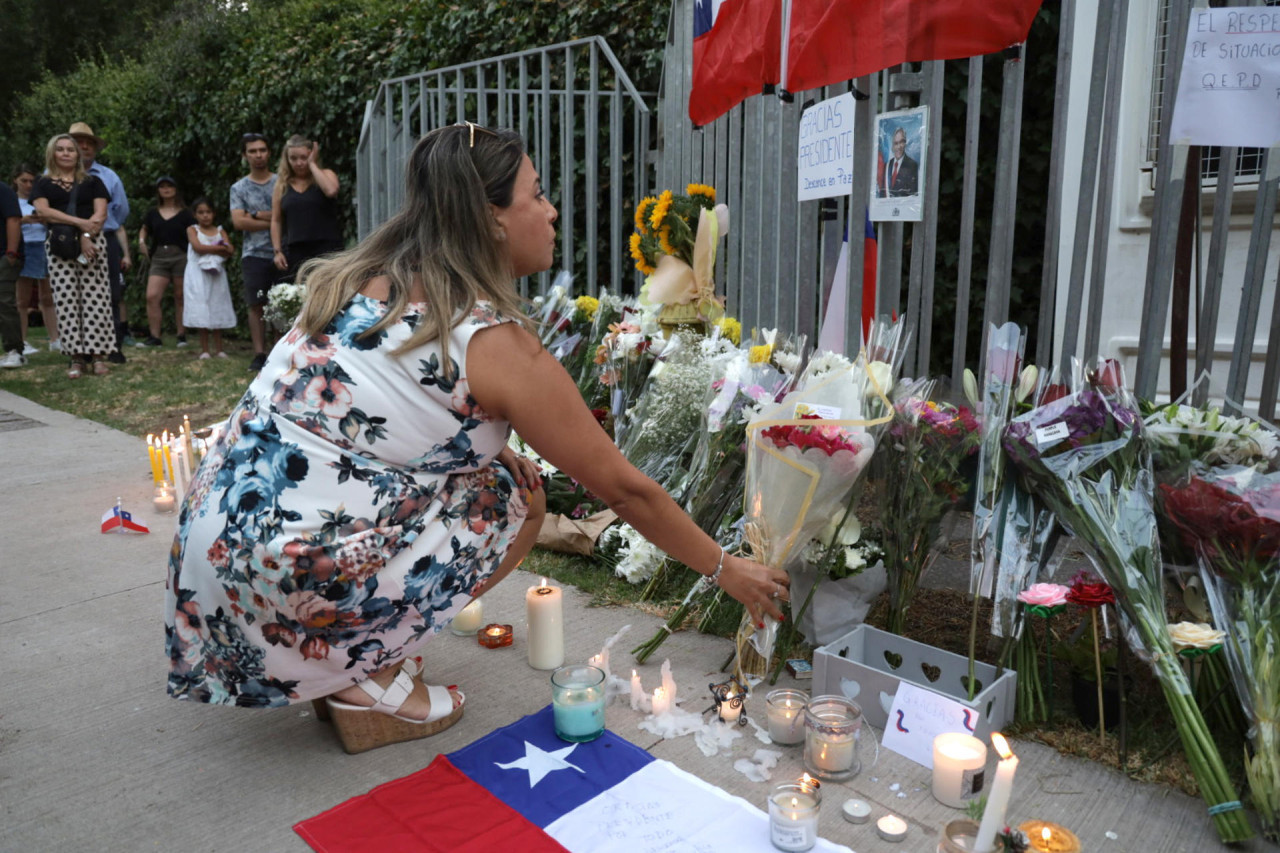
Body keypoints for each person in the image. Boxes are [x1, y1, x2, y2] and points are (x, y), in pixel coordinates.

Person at [164, 123, 790, 754]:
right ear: (491, 219)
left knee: (492, 472)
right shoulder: (489, 342)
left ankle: (344, 655)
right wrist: (725, 568)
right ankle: (364, 675)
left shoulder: (358, 279)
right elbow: (625, 491)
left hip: (211, 566)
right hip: (286, 582)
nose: (551, 212)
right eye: (537, 195)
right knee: (508, 497)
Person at [30, 133, 115, 378]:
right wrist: (80, 225)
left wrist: (87, 236)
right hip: (60, 244)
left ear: (78, 154)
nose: (66, 153)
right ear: (52, 154)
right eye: (61, 149)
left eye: (71, 149)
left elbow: (101, 214)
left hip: (92, 242)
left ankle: (98, 356)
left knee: (96, 298)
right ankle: (76, 357)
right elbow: (44, 212)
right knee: (66, 299)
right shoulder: (42, 183)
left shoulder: (93, 182)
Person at [70, 122, 134, 360]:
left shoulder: (109, 176)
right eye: (79, 142)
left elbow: (121, 212)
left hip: (104, 238)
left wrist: (99, 228)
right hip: (68, 241)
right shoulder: (53, 177)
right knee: (76, 295)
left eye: (89, 143)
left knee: (111, 293)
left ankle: (113, 345)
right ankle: (82, 349)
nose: (85, 146)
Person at [230, 133, 277, 372]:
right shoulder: (239, 188)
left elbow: (289, 217)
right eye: (252, 151)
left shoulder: (282, 182)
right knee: (256, 304)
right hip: (254, 253)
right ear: (245, 155)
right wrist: (274, 220)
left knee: (282, 304)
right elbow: (239, 222)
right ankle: (259, 353)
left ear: (269, 152)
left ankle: (280, 350)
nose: (258, 155)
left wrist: (256, 215)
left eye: (262, 150)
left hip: (281, 251)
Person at [269, 134, 342, 284]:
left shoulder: (326, 175)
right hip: (296, 250)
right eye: (293, 158)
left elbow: (331, 191)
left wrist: (313, 165)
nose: (299, 163)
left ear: (311, 155)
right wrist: (277, 251)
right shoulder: (282, 185)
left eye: (304, 157)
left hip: (327, 247)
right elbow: (276, 220)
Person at [136, 177, 195, 347]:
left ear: (176, 189)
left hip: (181, 256)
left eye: (170, 186)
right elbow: (144, 228)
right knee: (152, 296)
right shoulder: (153, 212)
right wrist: (141, 242)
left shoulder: (186, 213)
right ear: (158, 191)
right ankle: (155, 336)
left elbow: (195, 232)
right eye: (162, 187)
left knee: (180, 296)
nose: (166, 189)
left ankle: (181, 335)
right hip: (159, 256)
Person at [12, 164, 59, 354]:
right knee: (21, 300)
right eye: (24, 181)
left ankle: (55, 339)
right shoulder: (12, 201)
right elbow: (8, 223)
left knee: (48, 297)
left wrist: (44, 219)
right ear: (16, 180)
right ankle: (21, 341)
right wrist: (23, 220)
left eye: (32, 181)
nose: (28, 185)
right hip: (24, 247)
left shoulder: (40, 200)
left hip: (44, 245)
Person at [183, 197, 236, 359]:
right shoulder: (192, 230)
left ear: (213, 213)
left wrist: (219, 249)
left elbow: (230, 249)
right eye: (201, 212)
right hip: (197, 274)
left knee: (217, 304)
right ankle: (205, 349)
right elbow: (198, 247)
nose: (205, 216)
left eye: (208, 212)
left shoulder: (220, 231)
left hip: (217, 274)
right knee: (201, 306)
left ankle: (219, 348)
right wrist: (219, 248)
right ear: (195, 215)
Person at [0, 176, 22, 368]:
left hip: (4, 255)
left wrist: (11, 253)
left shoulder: (3, 190)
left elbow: (14, 220)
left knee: (4, 301)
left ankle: (15, 350)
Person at [880, 126, 919, 198]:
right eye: (896, 143)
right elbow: (882, 193)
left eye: (901, 142)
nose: (899, 147)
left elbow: (913, 194)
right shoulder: (887, 166)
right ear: (893, 146)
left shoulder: (912, 165)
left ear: (905, 143)